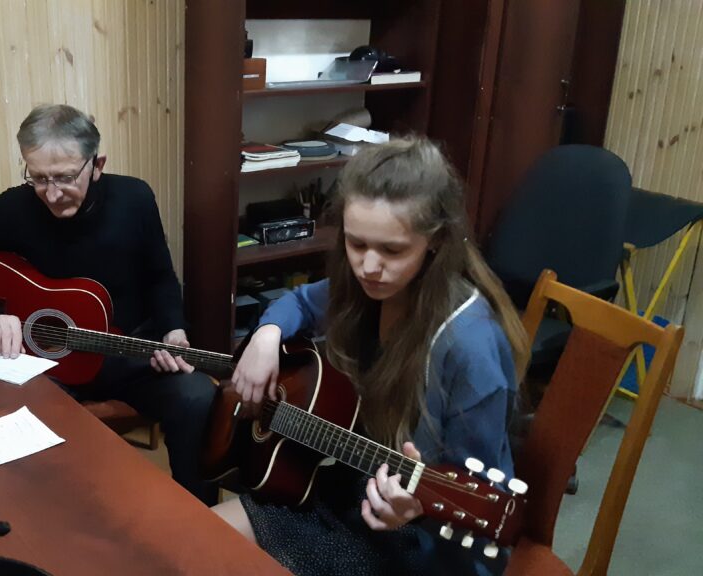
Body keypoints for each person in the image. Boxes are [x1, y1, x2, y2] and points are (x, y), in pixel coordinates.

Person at [213, 137, 530, 575]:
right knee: (195, 535)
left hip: (420, 545)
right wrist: (266, 335)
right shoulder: (367, 287)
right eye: (356, 244)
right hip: (350, 485)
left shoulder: (471, 352)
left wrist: (415, 509)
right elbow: (301, 302)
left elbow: (470, 499)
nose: (369, 266)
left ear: (435, 240)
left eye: (392, 250)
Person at [0, 104, 217, 505]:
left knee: (196, 396)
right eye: (38, 178)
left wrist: (174, 329)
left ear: (97, 165)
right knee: (7, 421)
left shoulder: (135, 198)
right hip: (48, 365)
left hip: (127, 354)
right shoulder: (14, 209)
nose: (51, 194)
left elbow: (161, 276)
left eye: (65, 177)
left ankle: (204, 518)